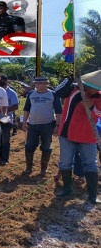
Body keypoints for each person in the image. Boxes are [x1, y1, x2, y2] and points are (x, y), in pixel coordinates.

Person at [54, 71, 101, 204]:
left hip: (88, 135)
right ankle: (67, 188)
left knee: (90, 164)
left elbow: (99, 113)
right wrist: (68, 77)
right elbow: (58, 92)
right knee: (65, 162)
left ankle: (92, 194)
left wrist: (91, 107)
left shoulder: (99, 97)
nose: (93, 89)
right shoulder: (74, 89)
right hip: (67, 133)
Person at [22, 76, 62, 176]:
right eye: (36, 83)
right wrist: (24, 122)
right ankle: (28, 168)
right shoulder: (31, 94)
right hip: (33, 125)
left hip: (47, 125)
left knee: (46, 146)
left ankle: (43, 169)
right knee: (29, 146)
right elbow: (26, 109)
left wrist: (57, 125)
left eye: (41, 83)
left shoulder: (53, 94)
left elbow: (58, 111)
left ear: (46, 84)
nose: (38, 85)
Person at [0, 75, 19, 165]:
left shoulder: (11, 93)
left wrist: (4, 110)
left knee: (5, 140)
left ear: (7, 82)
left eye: (3, 81)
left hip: (6, 119)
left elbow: (16, 106)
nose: (1, 83)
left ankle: (4, 159)